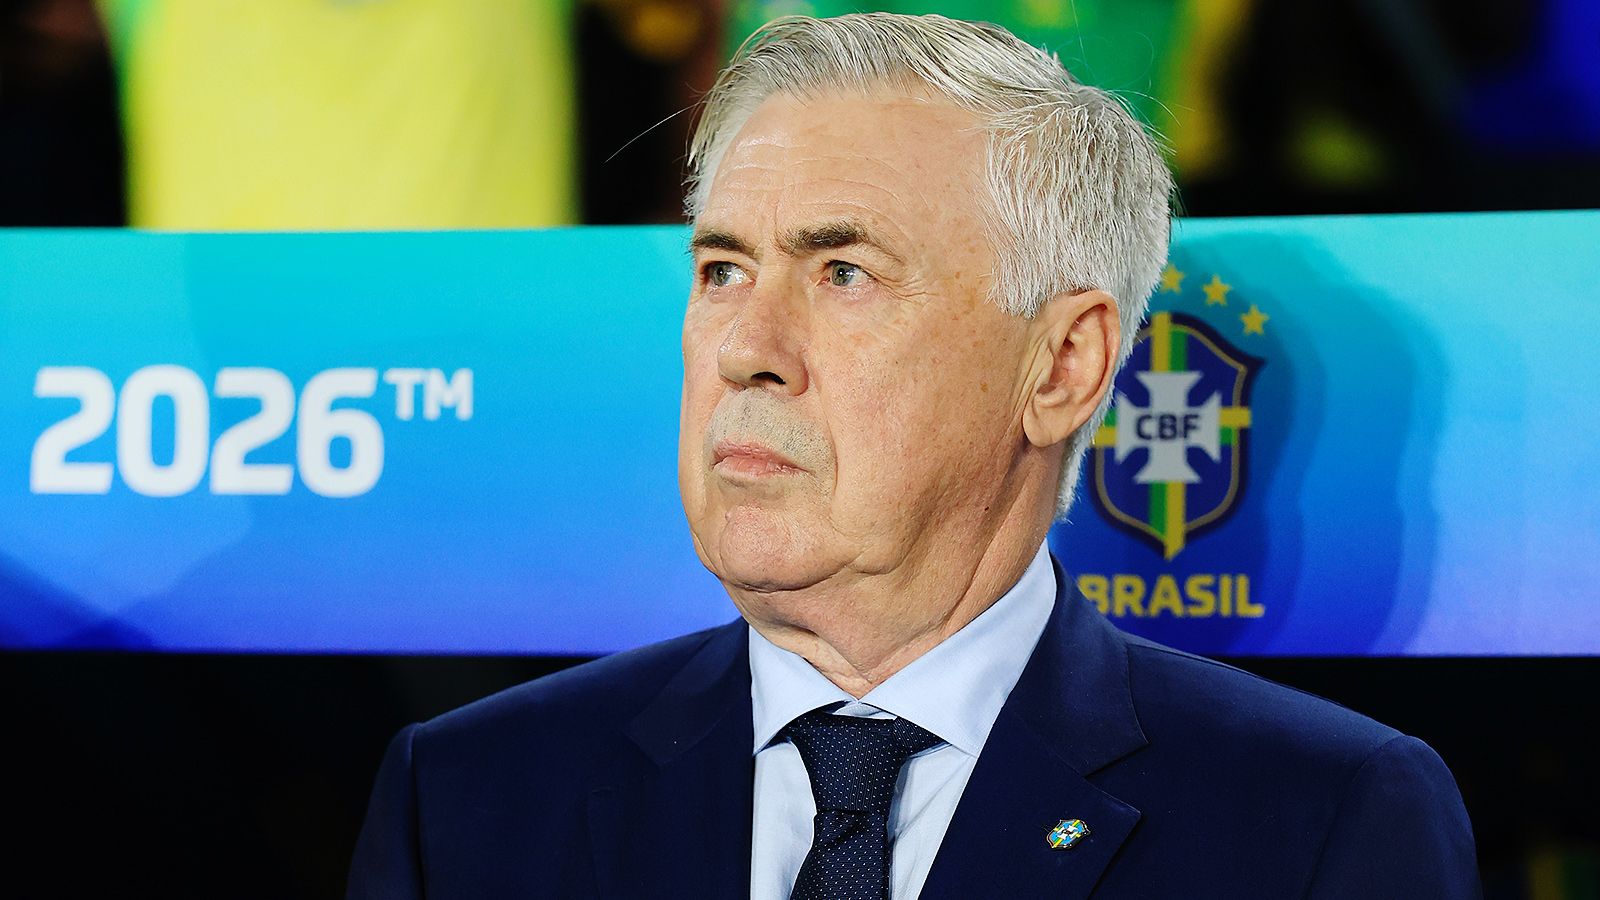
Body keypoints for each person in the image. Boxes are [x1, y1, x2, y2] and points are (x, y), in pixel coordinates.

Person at [348, 13, 1478, 899]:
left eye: (843, 273)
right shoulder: (465, 798)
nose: (745, 349)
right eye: (723, 271)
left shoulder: (1318, 821)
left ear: (1062, 365)